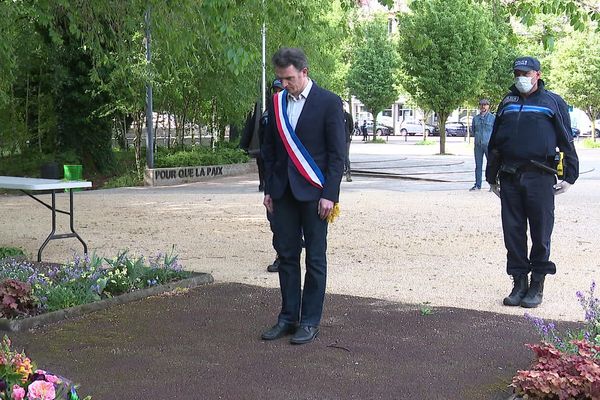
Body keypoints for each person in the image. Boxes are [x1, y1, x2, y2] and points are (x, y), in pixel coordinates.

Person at [261, 47, 345, 344]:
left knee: (315, 259)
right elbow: (269, 151)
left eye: (289, 78)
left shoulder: (329, 102)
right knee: (286, 256)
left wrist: (330, 194)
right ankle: (288, 317)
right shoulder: (276, 103)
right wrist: (269, 189)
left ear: (304, 72)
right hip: (282, 192)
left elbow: (337, 155)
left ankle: (309, 321)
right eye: (281, 79)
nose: (285, 84)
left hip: (314, 195)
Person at [486, 56, 579, 308]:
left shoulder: (552, 102)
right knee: (513, 233)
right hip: (510, 176)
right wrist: (490, 175)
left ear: (537, 74)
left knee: (540, 233)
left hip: (540, 175)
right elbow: (495, 141)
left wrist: (570, 175)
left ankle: (537, 284)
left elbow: (566, 139)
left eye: (526, 74)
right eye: (517, 73)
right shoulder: (507, 102)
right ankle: (519, 283)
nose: (521, 78)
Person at [470, 99, 495, 191]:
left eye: (485, 105)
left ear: (488, 106)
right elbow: (473, 130)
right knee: (478, 165)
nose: (483, 107)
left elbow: (495, 131)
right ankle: (477, 185)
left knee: (491, 165)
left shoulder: (493, 118)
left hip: (489, 145)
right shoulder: (475, 118)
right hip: (478, 145)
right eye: (481, 105)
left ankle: (492, 185)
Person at [343, 106, 354, 182]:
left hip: (346, 138)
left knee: (346, 156)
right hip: (337, 138)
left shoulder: (348, 116)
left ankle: (348, 174)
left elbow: (351, 127)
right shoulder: (336, 114)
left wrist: (348, 134)